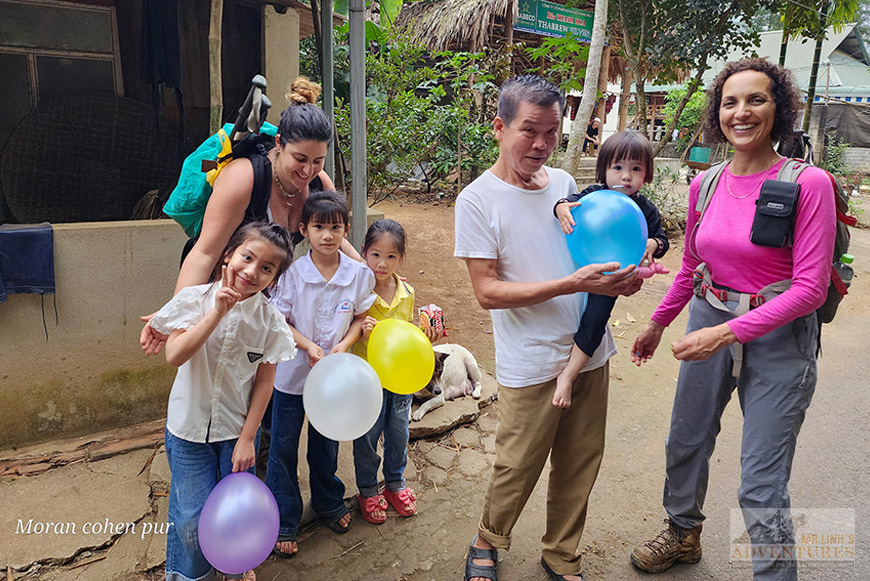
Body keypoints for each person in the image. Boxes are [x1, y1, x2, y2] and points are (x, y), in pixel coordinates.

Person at [628, 58, 835, 580]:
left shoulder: (809, 183)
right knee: (686, 441)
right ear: (717, 113)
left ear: (778, 108)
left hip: (780, 335)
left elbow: (810, 289)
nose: (741, 112)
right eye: (730, 102)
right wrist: (657, 322)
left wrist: (724, 334)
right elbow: (692, 266)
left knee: (762, 483)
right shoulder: (706, 184)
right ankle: (682, 533)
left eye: (755, 100)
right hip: (709, 313)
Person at [454, 75, 642, 581]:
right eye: (529, 130)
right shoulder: (477, 200)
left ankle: (562, 554)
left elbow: (598, 252)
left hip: (589, 352)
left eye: (551, 132)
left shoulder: (564, 185)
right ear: (500, 128)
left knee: (580, 462)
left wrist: (620, 281)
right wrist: (570, 284)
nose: (541, 144)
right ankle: (488, 539)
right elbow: (487, 291)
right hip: (530, 358)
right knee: (517, 464)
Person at [141, 77, 359, 356]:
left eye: (318, 161)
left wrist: (377, 275)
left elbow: (334, 237)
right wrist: (175, 316)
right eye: (300, 159)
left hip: (264, 299)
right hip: (220, 292)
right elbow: (205, 252)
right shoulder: (243, 178)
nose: (308, 171)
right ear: (279, 143)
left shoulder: (318, 185)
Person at [149, 222, 297, 581]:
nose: (252, 271)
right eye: (248, 257)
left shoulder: (271, 323)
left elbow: (265, 383)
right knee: (191, 518)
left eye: (266, 268)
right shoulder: (194, 300)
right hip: (187, 430)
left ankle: (234, 566)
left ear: (274, 279)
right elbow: (175, 355)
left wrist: (248, 438)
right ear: (229, 254)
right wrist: (216, 312)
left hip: (236, 434)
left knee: (234, 513)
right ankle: (189, 576)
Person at [266, 190, 375, 558]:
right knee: (283, 445)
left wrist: (344, 344)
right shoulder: (292, 274)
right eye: (318, 227)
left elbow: (361, 317)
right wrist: (308, 346)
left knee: (326, 442)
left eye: (335, 228)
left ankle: (328, 501)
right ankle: (284, 518)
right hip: (292, 375)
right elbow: (280, 321)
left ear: (346, 230)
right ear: (304, 230)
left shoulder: (358, 275)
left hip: (334, 378)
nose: (327, 236)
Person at [552, 130, 669, 407]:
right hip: (580, 271)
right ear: (604, 169)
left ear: (646, 174)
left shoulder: (646, 209)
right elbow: (565, 203)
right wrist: (560, 209)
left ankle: (568, 375)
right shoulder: (593, 196)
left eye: (636, 169)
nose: (626, 176)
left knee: (595, 320)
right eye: (618, 167)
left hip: (612, 278)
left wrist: (652, 244)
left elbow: (662, 241)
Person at [350, 219, 439, 525]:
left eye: (391, 257)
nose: (382, 264)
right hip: (367, 379)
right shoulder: (359, 292)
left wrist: (423, 334)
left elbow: (406, 334)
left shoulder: (407, 292)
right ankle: (367, 490)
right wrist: (360, 331)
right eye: (375, 255)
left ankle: (395, 484)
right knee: (367, 437)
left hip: (400, 381)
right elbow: (348, 330)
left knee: (399, 434)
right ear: (364, 252)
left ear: (401, 258)